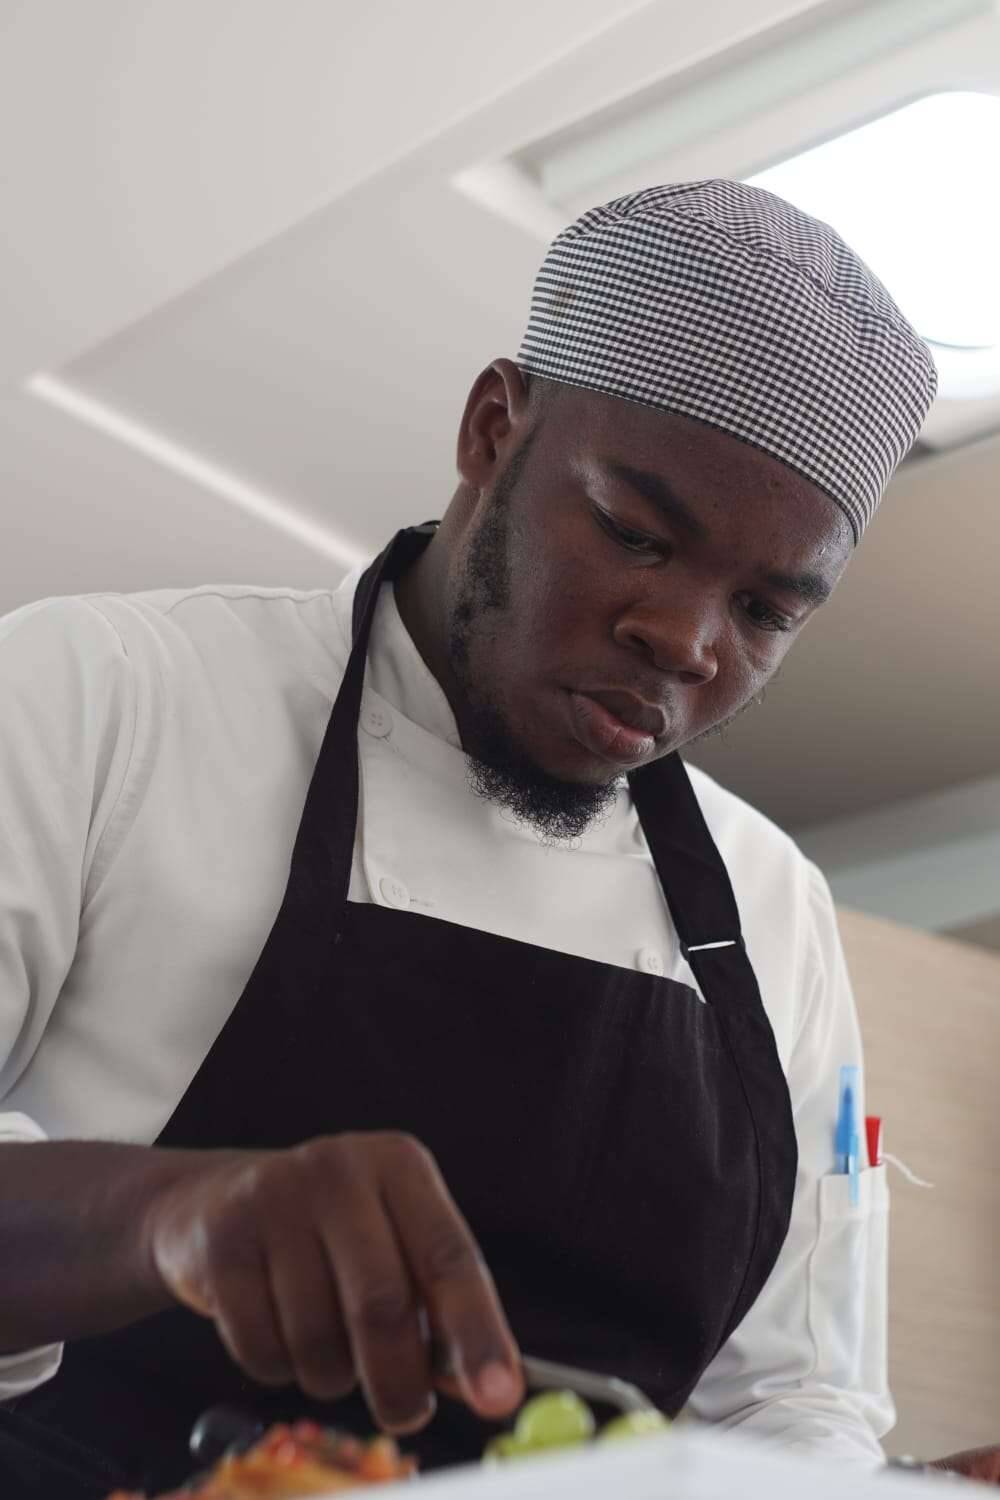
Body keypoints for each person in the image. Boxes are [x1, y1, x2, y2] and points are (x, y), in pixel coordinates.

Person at [0, 179, 982, 1497]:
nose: (685, 641)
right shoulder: (110, 694)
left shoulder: (772, 906)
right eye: (637, 535)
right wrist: (163, 1216)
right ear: (492, 427)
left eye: (765, 611)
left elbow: (792, 1403)